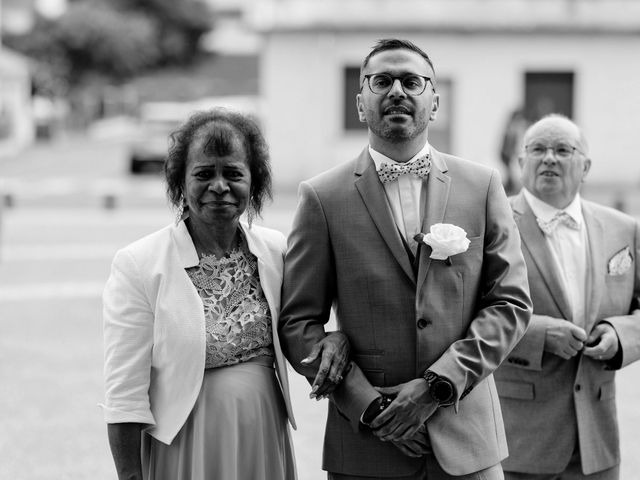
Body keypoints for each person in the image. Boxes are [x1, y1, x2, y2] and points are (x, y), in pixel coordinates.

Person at [279, 38, 532, 480]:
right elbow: (298, 323)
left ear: (434, 102)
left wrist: (437, 386)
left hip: (466, 437)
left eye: (412, 81)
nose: (397, 91)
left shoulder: (483, 185)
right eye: (382, 81)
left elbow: (510, 304)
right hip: (365, 445)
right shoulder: (320, 197)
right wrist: (373, 407)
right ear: (361, 104)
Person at [101, 108, 348, 480]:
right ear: (180, 183)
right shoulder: (139, 264)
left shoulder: (276, 252)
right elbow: (124, 393)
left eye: (233, 173)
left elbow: (304, 326)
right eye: (203, 174)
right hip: (186, 448)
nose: (219, 186)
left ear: (254, 182)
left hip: (262, 438)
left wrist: (337, 339)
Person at [495, 114, 640, 480]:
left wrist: (620, 335)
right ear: (521, 161)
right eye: (538, 149)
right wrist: (539, 335)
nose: (549, 158)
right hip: (519, 442)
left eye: (563, 149)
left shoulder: (625, 229)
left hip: (597, 444)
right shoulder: (489, 223)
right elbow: (464, 313)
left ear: (586, 166)